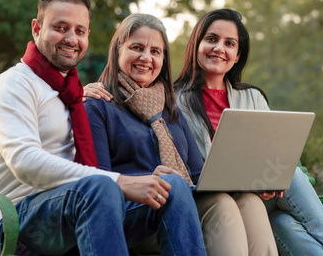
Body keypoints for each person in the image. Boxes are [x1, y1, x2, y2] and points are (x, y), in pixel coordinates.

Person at [0, 0, 207, 256]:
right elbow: (25, 161)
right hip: (11, 219)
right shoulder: (13, 85)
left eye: (79, 31)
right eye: (60, 27)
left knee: (173, 187)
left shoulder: (71, 93)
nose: (71, 38)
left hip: (72, 209)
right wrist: (120, 181)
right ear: (36, 28)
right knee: (100, 187)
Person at [83, 13, 278, 255]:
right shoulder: (98, 104)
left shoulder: (170, 110)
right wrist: (144, 180)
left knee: (249, 203)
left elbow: (197, 174)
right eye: (137, 47)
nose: (146, 57)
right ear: (118, 50)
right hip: (134, 213)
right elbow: (98, 184)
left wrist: (248, 180)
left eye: (156, 51)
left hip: (179, 203)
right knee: (221, 205)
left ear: (163, 60)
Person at [172, 9, 323, 256]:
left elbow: (270, 152)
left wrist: (269, 180)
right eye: (211, 39)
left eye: (229, 43)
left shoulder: (252, 97)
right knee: (283, 223)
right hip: (211, 203)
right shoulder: (173, 101)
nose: (219, 48)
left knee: (291, 180)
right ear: (196, 44)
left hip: (257, 196)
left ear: (237, 56)